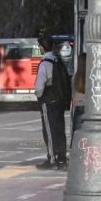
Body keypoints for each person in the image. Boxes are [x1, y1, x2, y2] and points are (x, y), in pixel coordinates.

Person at [34, 36, 68, 169]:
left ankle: (52, 159)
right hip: (60, 100)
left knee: (49, 130)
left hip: (48, 101)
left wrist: (38, 95)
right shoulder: (57, 60)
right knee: (60, 129)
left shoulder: (45, 63)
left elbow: (39, 87)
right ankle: (62, 158)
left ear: (42, 47)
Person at [70, 53, 86, 148]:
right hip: (89, 107)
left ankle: (76, 150)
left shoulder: (76, 77)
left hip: (78, 107)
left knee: (77, 132)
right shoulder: (91, 77)